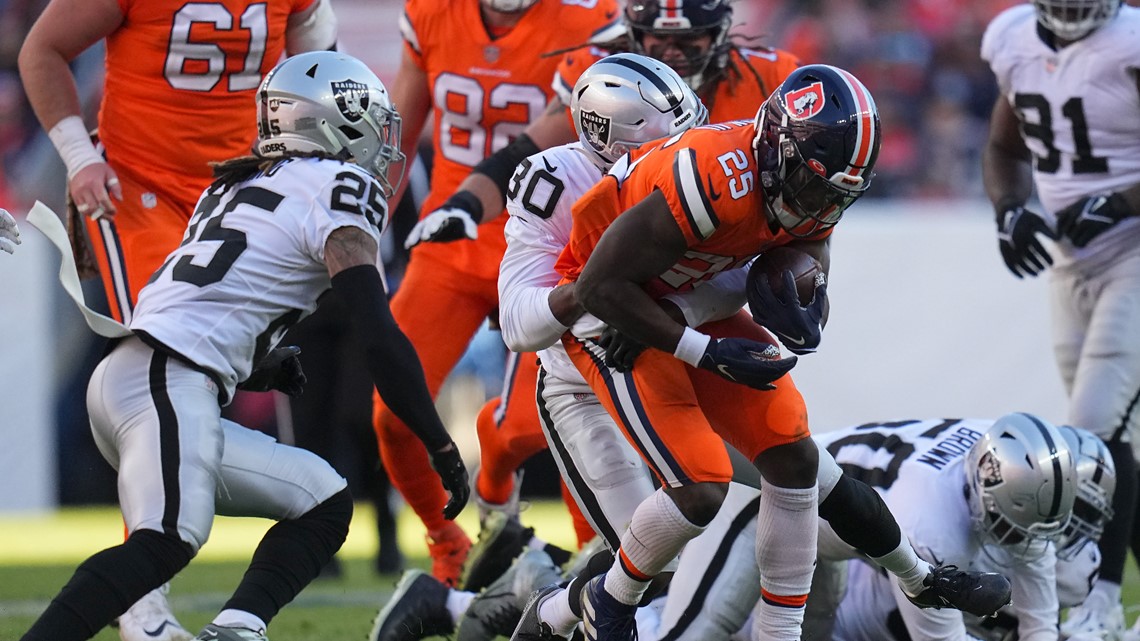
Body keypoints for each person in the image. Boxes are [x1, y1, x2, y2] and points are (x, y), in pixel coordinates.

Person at [18, 51, 470, 641]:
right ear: (332, 123)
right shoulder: (341, 185)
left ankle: (235, 629)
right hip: (168, 384)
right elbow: (378, 336)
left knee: (324, 501)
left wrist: (260, 363)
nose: (380, 142)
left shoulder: (238, 182)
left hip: (144, 377)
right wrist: (439, 445)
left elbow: (213, 300)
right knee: (165, 541)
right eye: (370, 122)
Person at [406, 0, 803, 583]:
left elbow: (752, 251)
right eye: (656, 38)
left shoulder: (766, 87)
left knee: (697, 532)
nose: (672, 50)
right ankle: (495, 559)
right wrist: (591, 295)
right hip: (582, 360)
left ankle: (532, 591)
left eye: (690, 40)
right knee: (526, 437)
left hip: (669, 332)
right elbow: (522, 321)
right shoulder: (564, 174)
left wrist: (668, 311)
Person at [18, 1, 337, 636]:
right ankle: (144, 600)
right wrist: (80, 157)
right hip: (138, 186)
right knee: (165, 369)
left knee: (190, 389)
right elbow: (41, 51)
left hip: (240, 189)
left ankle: (165, 561)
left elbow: (317, 55)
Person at [546, 63, 878, 641]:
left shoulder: (809, 186)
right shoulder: (715, 176)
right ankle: (606, 599)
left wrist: (802, 307)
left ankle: (779, 633)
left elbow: (808, 275)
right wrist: (702, 350)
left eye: (835, 194)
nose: (818, 203)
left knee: (793, 453)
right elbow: (598, 288)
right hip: (608, 315)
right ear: (778, 146)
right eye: (811, 183)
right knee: (701, 488)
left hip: (680, 304)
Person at [368, 0, 620, 587]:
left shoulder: (589, 23)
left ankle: (597, 562)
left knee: (559, 423)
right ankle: (448, 541)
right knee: (393, 413)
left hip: (549, 247)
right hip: (450, 242)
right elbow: (395, 138)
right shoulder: (432, 14)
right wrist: (361, 221)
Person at [980, 1, 1140, 637]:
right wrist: (1010, 209)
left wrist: (1123, 201)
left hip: (1135, 252)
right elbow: (1002, 146)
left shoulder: (1130, 42)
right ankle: (1105, 599)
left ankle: (1099, 602)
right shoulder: (1014, 39)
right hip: (1072, 262)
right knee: (1109, 440)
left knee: (1091, 430)